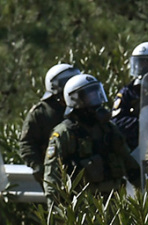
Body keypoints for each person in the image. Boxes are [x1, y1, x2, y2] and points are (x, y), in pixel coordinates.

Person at [44, 74, 140, 207]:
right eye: (90, 96)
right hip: (83, 205)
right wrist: (55, 210)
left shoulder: (108, 129)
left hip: (114, 201)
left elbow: (128, 162)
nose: (96, 100)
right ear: (75, 100)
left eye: (97, 94)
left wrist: (145, 193)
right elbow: (52, 176)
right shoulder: (65, 134)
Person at [18, 63, 81, 186]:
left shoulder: (80, 106)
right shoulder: (41, 113)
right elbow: (27, 144)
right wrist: (40, 169)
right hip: (55, 174)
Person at [112, 41, 148, 152]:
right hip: (137, 147)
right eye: (139, 63)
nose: (141, 67)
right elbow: (117, 121)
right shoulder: (128, 92)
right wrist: (143, 123)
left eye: (146, 63)